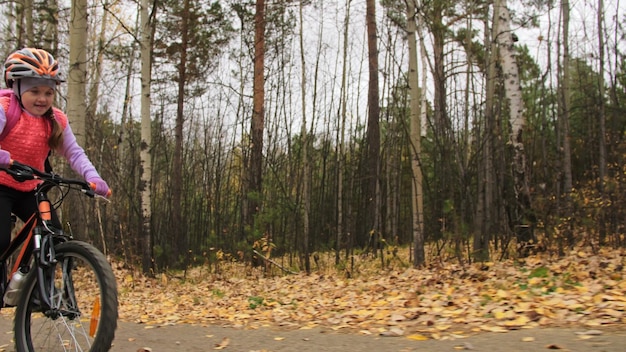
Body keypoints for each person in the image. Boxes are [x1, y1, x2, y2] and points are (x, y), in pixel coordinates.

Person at [0, 47, 110, 255]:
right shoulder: (5, 108)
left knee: (55, 239)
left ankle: (41, 285)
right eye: (34, 91)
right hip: (1, 185)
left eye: (48, 93)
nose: (42, 98)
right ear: (17, 88)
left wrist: (93, 176)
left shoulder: (55, 120)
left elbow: (74, 153)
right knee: (1, 240)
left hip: (31, 189)